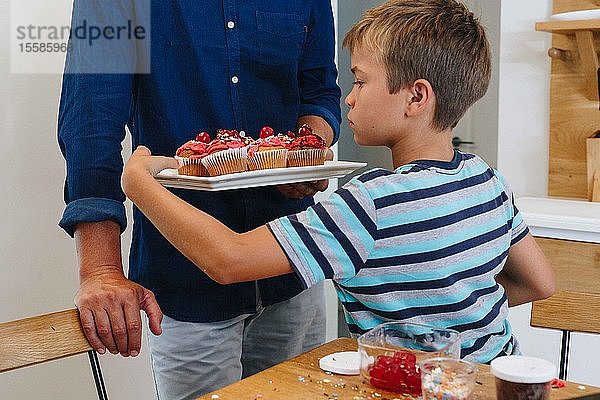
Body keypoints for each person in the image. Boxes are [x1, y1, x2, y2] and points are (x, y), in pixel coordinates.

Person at [122, 0, 556, 364]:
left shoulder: (369, 206)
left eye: (361, 81)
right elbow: (540, 284)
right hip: (494, 381)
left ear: (416, 97)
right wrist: (454, 319)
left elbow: (227, 260)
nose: (348, 96)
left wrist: (140, 184)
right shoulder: (487, 180)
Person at [57, 1, 341, 399]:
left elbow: (320, 91)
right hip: (186, 281)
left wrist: (303, 152)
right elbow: (91, 121)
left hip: (291, 273)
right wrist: (101, 269)